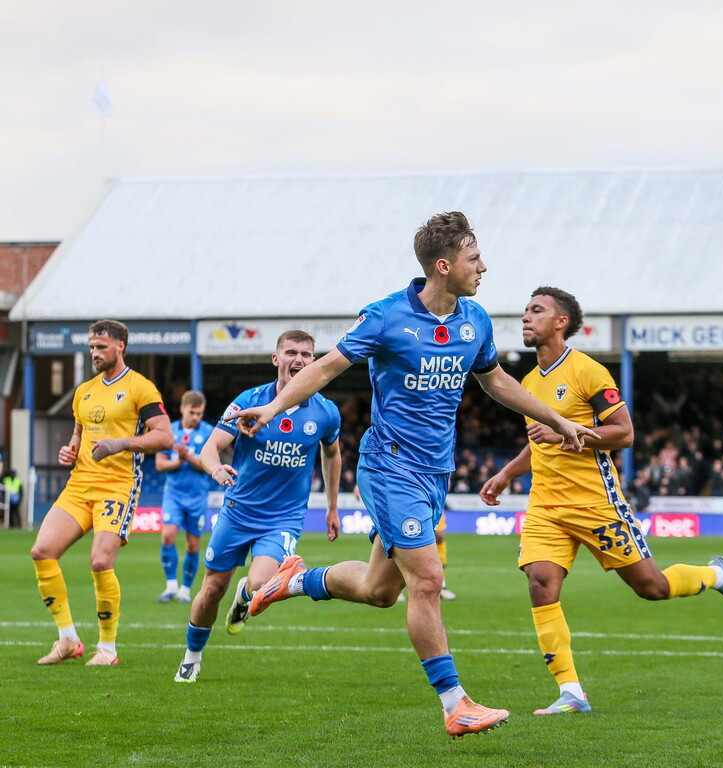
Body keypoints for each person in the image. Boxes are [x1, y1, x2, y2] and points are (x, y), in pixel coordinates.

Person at [231, 212, 598, 739]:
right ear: (444, 266)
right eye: (475, 259)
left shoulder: (475, 319)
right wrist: (273, 408)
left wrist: (558, 419)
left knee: (381, 591)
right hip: (388, 467)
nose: (484, 267)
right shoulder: (384, 317)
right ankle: (456, 704)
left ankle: (294, 580)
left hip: (434, 474)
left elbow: (496, 381)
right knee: (427, 580)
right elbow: (325, 367)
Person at [479, 287, 723, 716]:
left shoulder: (589, 373)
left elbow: (624, 433)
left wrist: (567, 431)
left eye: (537, 310)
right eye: (526, 311)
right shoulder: (529, 383)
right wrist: (506, 473)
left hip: (596, 504)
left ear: (561, 321)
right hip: (546, 506)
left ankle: (717, 576)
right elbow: (539, 444)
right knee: (540, 583)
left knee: (652, 588)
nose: (526, 318)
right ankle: (571, 692)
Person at [173, 330, 342, 683]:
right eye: (291, 352)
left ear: (314, 361)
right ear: (276, 359)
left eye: (307, 355)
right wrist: (215, 467)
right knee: (211, 589)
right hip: (238, 511)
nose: (299, 359)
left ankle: (246, 596)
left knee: (262, 585)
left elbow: (332, 453)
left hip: (283, 518)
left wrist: (331, 506)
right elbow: (210, 447)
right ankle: (192, 656)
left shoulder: (325, 413)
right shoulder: (250, 400)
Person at [30, 319, 174, 666]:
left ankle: (107, 649)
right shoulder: (84, 391)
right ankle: (67, 640)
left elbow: (165, 437)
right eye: (92, 347)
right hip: (79, 485)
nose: (95, 353)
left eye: (101, 347)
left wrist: (121, 443)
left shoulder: (141, 388)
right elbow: (78, 437)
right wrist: (69, 449)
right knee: (42, 551)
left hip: (118, 486)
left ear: (120, 346)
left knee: (100, 561)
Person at [155, 390, 216, 603]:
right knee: (168, 535)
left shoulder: (209, 433)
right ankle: (170, 586)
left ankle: (185, 590)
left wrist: (187, 456)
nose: (196, 417)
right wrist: (179, 461)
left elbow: (207, 467)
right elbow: (160, 464)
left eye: (200, 413)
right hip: (174, 494)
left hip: (197, 497)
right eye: (192, 412)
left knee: (192, 545)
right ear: (182, 409)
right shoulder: (169, 432)